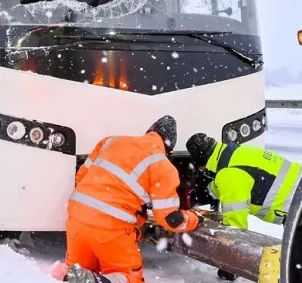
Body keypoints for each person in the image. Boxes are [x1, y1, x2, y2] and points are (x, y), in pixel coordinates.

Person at [55, 115, 205, 283]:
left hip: (77, 219)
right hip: (111, 229)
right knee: (129, 278)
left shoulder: (111, 141)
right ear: (169, 145)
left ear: (149, 132)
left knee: (80, 271)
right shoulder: (162, 165)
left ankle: (83, 278)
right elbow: (170, 219)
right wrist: (195, 219)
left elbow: (81, 176)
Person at [185, 133, 302, 281]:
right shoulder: (233, 152)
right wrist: (206, 192)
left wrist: (229, 266)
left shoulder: (227, 175)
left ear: (200, 162)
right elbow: (229, 179)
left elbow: (236, 227)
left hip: (298, 209)